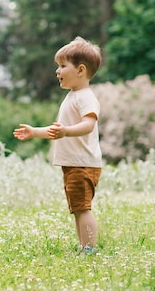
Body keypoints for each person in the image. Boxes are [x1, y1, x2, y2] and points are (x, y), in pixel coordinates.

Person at [13, 36, 102, 254]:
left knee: (83, 208)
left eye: (62, 66)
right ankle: (84, 246)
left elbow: (88, 124)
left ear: (80, 70)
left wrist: (67, 132)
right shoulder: (73, 97)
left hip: (82, 164)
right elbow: (57, 130)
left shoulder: (85, 97)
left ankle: (89, 249)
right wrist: (35, 132)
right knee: (78, 208)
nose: (57, 71)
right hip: (73, 164)